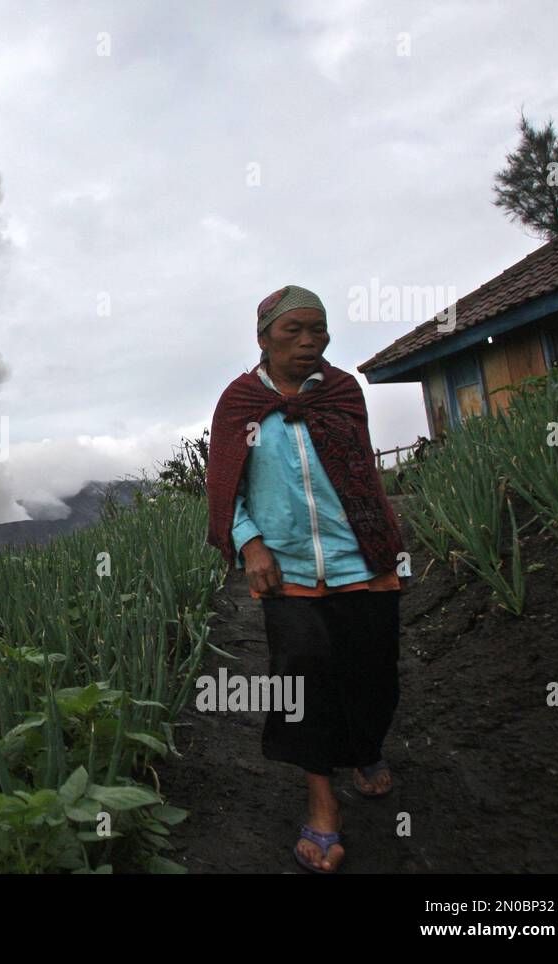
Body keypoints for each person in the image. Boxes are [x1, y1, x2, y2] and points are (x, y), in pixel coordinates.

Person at [204, 284, 409, 874]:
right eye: (292, 330)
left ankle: (366, 747)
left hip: (361, 561)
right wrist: (250, 544)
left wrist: (382, 549)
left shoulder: (342, 393)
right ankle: (322, 806)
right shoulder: (239, 403)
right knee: (304, 680)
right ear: (263, 338)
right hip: (286, 572)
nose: (308, 340)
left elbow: (362, 476)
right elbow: (226, 490)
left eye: (317, 329)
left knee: (373, 678)